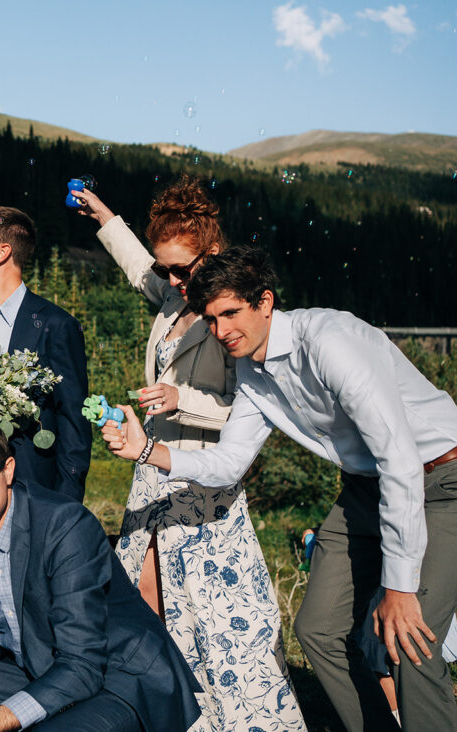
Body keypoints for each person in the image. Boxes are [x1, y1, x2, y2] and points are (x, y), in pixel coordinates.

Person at [104, 247, 457, 732]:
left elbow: (398, 459)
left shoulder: (331, 342)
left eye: (231, 312)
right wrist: (148, 451)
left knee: (410, 641)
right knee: (318, 631)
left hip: (440, 480)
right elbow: (229, 463)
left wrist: (398, 586)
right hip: (366, 487)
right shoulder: (251, 371)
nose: (222, 330)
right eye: (211, 319)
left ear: (264, 302)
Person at [73, 181, 305, 730]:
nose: (172, 280)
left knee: (212, 613)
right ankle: (162, 707)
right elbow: (139, 267)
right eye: (168, 270)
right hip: (152, 471)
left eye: (181, 269)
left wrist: (183, 399)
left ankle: (232, 712)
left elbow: (253, 406)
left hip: (203, 483)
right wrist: (105, 215)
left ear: (213, 255)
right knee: (147, 595)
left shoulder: (233, 316)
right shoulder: (177, 297)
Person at [0, 412, 201, 732]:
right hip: (33, 663)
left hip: (117, 674)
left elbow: (82, 664)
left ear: (8, 470)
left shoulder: (65, 526)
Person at [0, 205, 90, 502]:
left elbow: (73, 424)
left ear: (1, 253)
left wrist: (66, 509)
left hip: (29, 493)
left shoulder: (56, 325)